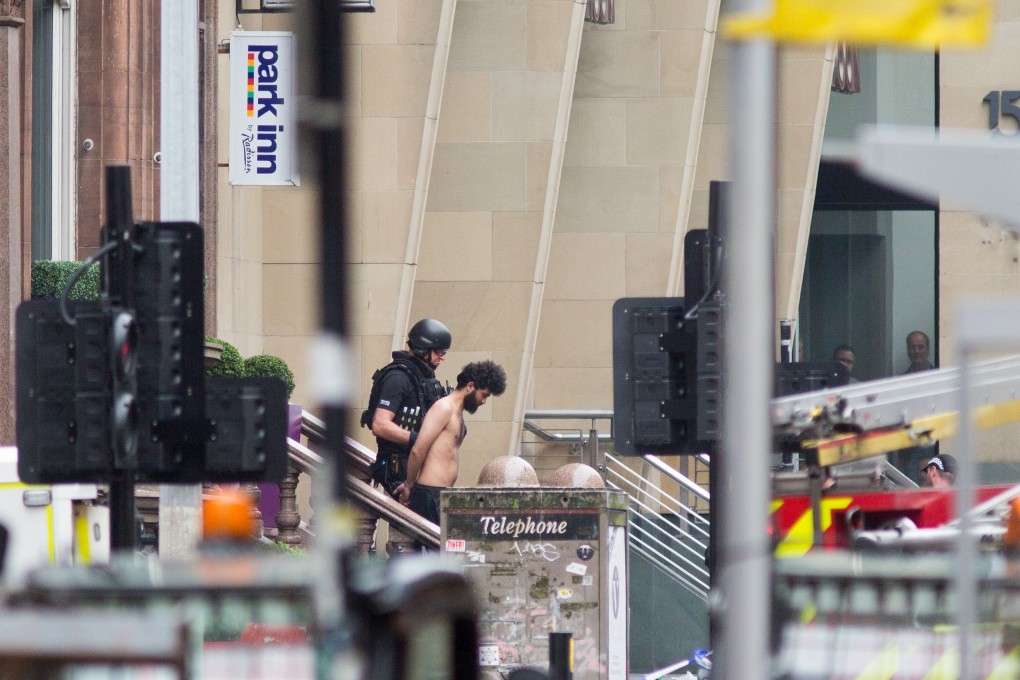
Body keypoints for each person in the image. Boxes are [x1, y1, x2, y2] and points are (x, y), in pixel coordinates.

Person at [395, 360, 507, 530]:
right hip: (429, 493)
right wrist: (408, 485)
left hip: (441, 494)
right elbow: (418, 450)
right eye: (484, 395)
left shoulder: (458, 413)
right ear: (470, 386)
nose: (484, 401)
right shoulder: (444, 408)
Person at [363, 318, 452, 495]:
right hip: (399, 467)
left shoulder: (423, 377)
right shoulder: (398, 378)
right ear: (422, 349)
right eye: (439, 351)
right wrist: (418, 439)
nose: (442, 356)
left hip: (421, 465)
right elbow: (380, 425)